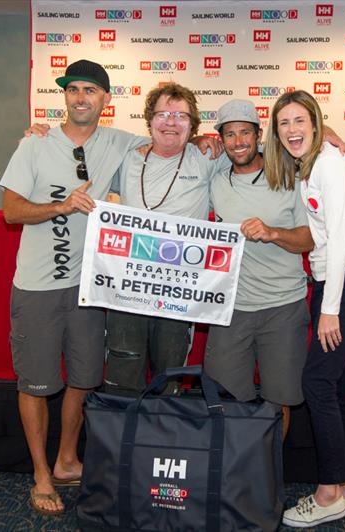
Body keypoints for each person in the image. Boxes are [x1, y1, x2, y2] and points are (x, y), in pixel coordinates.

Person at [0, 59, 154, 517]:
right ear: (65, 96)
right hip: (38, 286)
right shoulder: (36, 143)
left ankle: (67, 460)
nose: (81, 97)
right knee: (36, 381)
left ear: (106, 100)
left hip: (90, 288)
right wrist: (61, 206)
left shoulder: (122, 143)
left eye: (91, 90)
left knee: (83, 379)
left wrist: (206, 140)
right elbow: (10, 211)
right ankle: (41, 474)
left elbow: (172, 140)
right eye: (73, 89)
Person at [265, 90, 345, 528]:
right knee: (339, 387)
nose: (293, 130)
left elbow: (333, 244)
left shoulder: (329, 167)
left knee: (316, 382)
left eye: (301, 121)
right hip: (341, 282)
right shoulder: (310, 162)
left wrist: (329, 309)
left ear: (315, 123)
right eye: (284, 123)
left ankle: (329, 490)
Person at [103, 82, 221, 397]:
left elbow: (253, 150)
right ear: (149, 120)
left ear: (193, 125)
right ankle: (122, 442)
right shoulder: (127, 158)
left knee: (169, 377)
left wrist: (324, 135)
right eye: (163, 114)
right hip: (128, 286)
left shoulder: (207, 157)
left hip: (178, 290)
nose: (171, 122)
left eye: (181, 116)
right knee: (123, 371)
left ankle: (162, 442)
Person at [204, 99, 313, 437]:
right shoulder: (216, 180)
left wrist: (272, 233)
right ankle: (234, 472)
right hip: (230, 308)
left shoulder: (289, 176)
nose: (239, 142)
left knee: (277, 401)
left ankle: (268, 476)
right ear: (221, 140)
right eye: (231, 134)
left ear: (259, 135)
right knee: (227, 398)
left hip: (282, 306)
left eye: (246, 133)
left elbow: (309, 239)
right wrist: (196, 141)